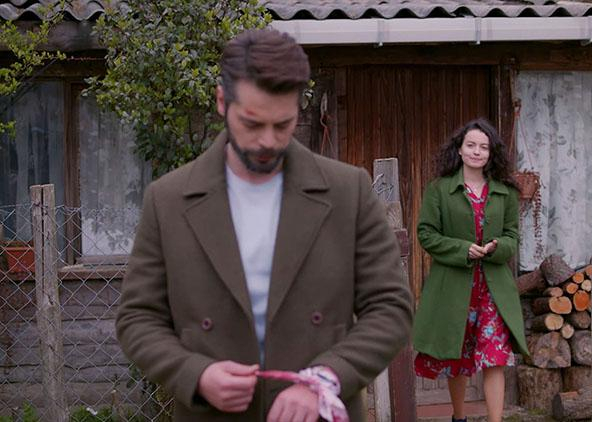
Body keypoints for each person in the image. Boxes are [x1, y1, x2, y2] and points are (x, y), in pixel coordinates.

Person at [116, 28, 413, 422]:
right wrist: (196, 375)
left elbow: (391, 307)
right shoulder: (167, 199)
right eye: (252, 124)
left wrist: (325, 379)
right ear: (222, 102)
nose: (268, 141)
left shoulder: (348, 191)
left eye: (283, 124)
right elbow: (138, 318)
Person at [412, 118, 529, 422]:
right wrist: (461, 249)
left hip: (493, 289)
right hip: (454, 288)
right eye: (471, 145)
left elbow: (512, 236)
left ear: (491, 153)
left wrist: (497, 247)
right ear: (460, 150)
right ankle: (459, 417)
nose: (477, 152)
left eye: (484, 147)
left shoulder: (505, 191)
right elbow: (426, 234)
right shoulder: (439, 189)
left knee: (495, 357)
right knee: (458, 356)